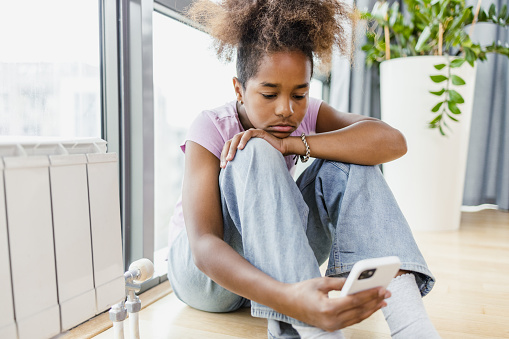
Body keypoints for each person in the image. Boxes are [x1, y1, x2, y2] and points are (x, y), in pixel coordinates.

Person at [167, 0, 441, 338]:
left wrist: (292, 143)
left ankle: (412, 326)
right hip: (207, 279)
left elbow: (392, 142)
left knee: (351, 159)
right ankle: (309, 329)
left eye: (300, 94)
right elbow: (204, 246)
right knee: (254, 150)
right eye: (269, 94)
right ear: (238, 88)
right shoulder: (210, 126)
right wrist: (288, 299)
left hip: (275, 263)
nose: (286, 109)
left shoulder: (305, 116)